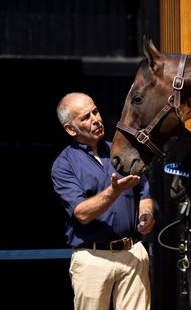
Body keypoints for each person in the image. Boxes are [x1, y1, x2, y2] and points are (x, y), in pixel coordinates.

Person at [51, 92, 155, 310]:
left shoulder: (122, 150)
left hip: (132, 252)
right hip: (92, 258)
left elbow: (143, 190)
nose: (96, 119)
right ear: (71, 129)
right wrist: (114, 191)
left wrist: (147, 214)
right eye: (86, 117)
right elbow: (82, 213)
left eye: (95, 111)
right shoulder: (64, 165)